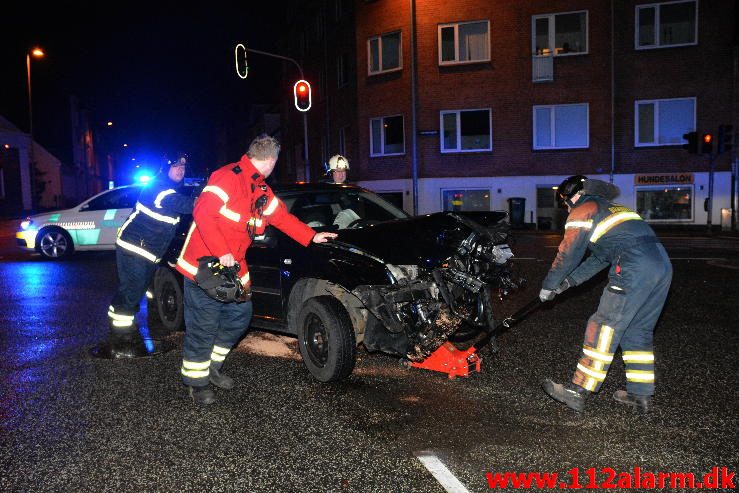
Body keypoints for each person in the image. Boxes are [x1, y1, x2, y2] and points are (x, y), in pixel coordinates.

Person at [175, 134, 337, 405]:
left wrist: (311, 236)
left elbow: (282, 217)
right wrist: (221, 251)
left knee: (240, 316)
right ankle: (196, 382)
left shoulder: (260, 188)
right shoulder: (227, 177)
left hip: (233, 268)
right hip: (203, 267)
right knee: (203, 326)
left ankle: (211, 367)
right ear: (271, 161)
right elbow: (203, 213)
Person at [539, 175, 672, 413]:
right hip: (661, 266)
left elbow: (568, 253)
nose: (567, 208)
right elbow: (600, 257)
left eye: (565, 203)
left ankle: (577, 391)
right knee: (637, 330)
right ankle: (639, 395)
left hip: (633, 266)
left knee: (603, 326)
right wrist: (568, 283)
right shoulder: (611, 209)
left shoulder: (583, 210)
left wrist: (549, 285)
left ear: (574, 196)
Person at [108, 153, 195, 356]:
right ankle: (121, 336)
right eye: (176, 167)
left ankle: (120, 325)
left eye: (183, 168)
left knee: (132, 290)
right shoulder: (159, 188)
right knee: (132, 291)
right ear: (165, 169)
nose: (180, 171)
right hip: (134, 248)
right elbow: (184, 205)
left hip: (146, 251)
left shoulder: (170, 188)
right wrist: (207, 199)